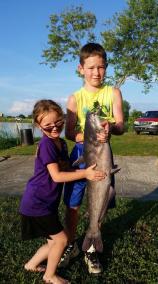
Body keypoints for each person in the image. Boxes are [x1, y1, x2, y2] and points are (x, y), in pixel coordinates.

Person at [19, 99, 105, 284]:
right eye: (48, 125)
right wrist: (85, 173)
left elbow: (66, 169)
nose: (54, 128)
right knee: (61, 240)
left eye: (58, 122)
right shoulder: (47, 145)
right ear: (38, 125)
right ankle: (49, 276)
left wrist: (87, 165)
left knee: (53, 242)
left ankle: (31, 265)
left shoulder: (61, 144)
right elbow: (57, 176)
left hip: (45, 204)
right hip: (37, 203)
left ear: (64, 120)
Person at [60, 43, 124, 274]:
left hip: (103, 155)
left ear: (106, 68)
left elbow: (121, 125)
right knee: (73, 205)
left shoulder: (113, 92)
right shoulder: (74, 98)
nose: (96, 72)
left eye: (101, 67)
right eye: (91, 67)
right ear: (80, 69)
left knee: (102, 198)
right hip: (80, 156)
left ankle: (91, 246)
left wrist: (110, 129)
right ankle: (69, 244)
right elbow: (68, 132)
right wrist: (84, 136)